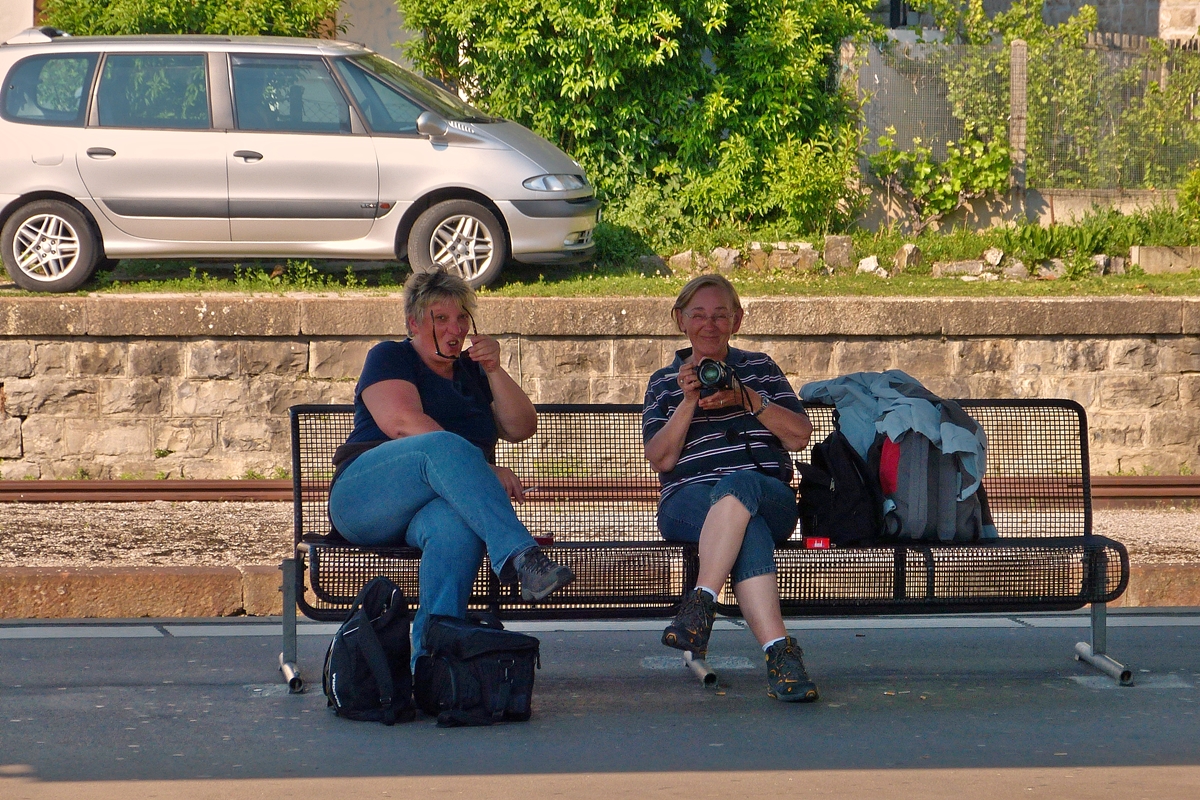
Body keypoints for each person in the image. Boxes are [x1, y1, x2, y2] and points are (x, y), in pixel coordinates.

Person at [328, 270, 574, 663]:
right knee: (439, 445)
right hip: (365, 498)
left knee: (456, 528)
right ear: (414, 323)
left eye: (461, 318)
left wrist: (494, 369)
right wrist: (482, 468)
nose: (454, 328)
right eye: (440, 319)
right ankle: (522, 557)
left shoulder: (472, 372)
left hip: (432, 507)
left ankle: (429, 664)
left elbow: (522, 427)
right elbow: (401, 423)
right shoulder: (390, 356)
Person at [642, 274, 819, 702]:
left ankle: (700, 603)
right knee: (746, 527)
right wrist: (687, 401)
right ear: (680, 320)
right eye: (698, 315)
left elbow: (799, 436)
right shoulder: (664, 382)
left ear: (737, 320)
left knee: (740, 487)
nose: (710, 324)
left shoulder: (760, 368)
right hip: (689, 501)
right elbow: (661, 459)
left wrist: (748, 400)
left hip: (768, 494)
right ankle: (781, 655)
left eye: (721, 315)